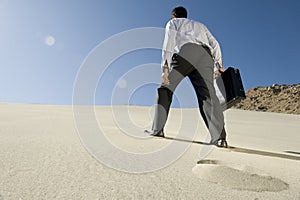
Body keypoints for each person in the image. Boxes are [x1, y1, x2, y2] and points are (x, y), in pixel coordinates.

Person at [145, 6, 228, 148]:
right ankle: (220, 139)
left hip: (186, 53)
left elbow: (169, 44)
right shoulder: (201, 26)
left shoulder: (174, 23)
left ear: (174, 16)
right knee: (208, 96)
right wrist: (219, 65)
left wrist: (165, 68)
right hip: (206, 56)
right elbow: (215, 44)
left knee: (165, 89)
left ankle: (157, 129)